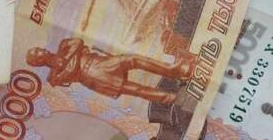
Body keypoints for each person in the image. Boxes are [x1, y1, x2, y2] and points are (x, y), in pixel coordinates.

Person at [26, 37, 193, 104]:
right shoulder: (53, 78)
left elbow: (78, 42)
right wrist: (73, 58)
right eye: (38, 53)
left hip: (100, 63)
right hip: (94, 78)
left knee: (133, 59)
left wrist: (68, 58)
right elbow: (70, 72)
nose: (41, 50)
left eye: (39, 49)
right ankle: (171, 99)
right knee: (135, 89)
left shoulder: (63, 46)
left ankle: (174, 71)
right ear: (38, 62)